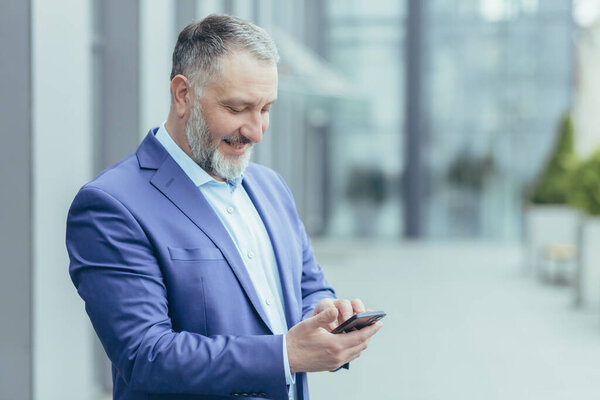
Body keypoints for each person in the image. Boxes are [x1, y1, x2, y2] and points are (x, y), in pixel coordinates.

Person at [66, 14, 382, 400]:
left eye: (266, 109)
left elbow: (306, 284)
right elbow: (146, 356)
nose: (256, 130)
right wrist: (286, 353)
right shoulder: (111, 206)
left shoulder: (270, 187)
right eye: (237, 109)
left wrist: (324, 316)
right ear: (183, 95)